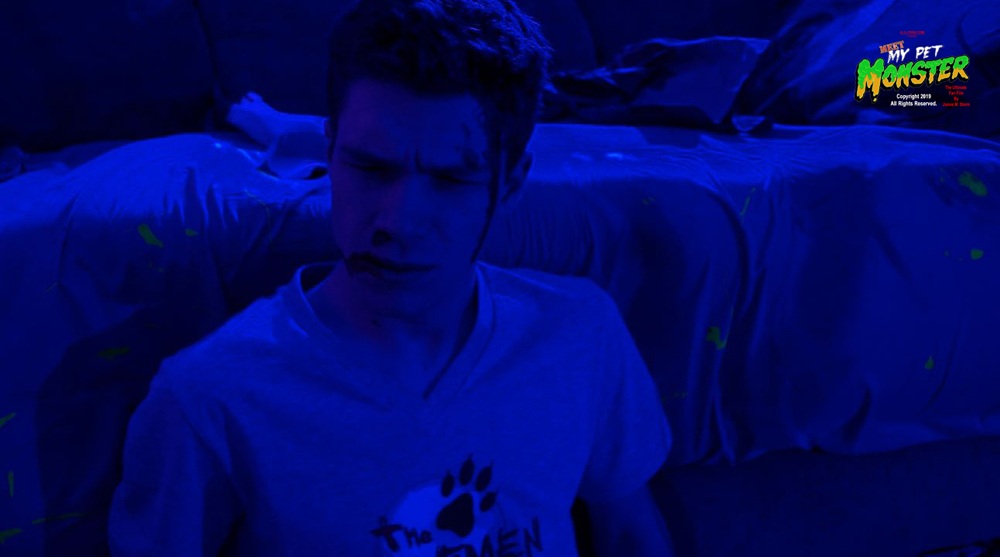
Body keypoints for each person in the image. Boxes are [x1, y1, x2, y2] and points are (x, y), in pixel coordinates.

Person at [108, 0, 674, 555]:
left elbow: (631, 534)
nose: (398, 223)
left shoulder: (581, 334)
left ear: (510, 183)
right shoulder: (211, 396)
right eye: (371, 167)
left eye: (450, 180)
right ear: (330, 151)